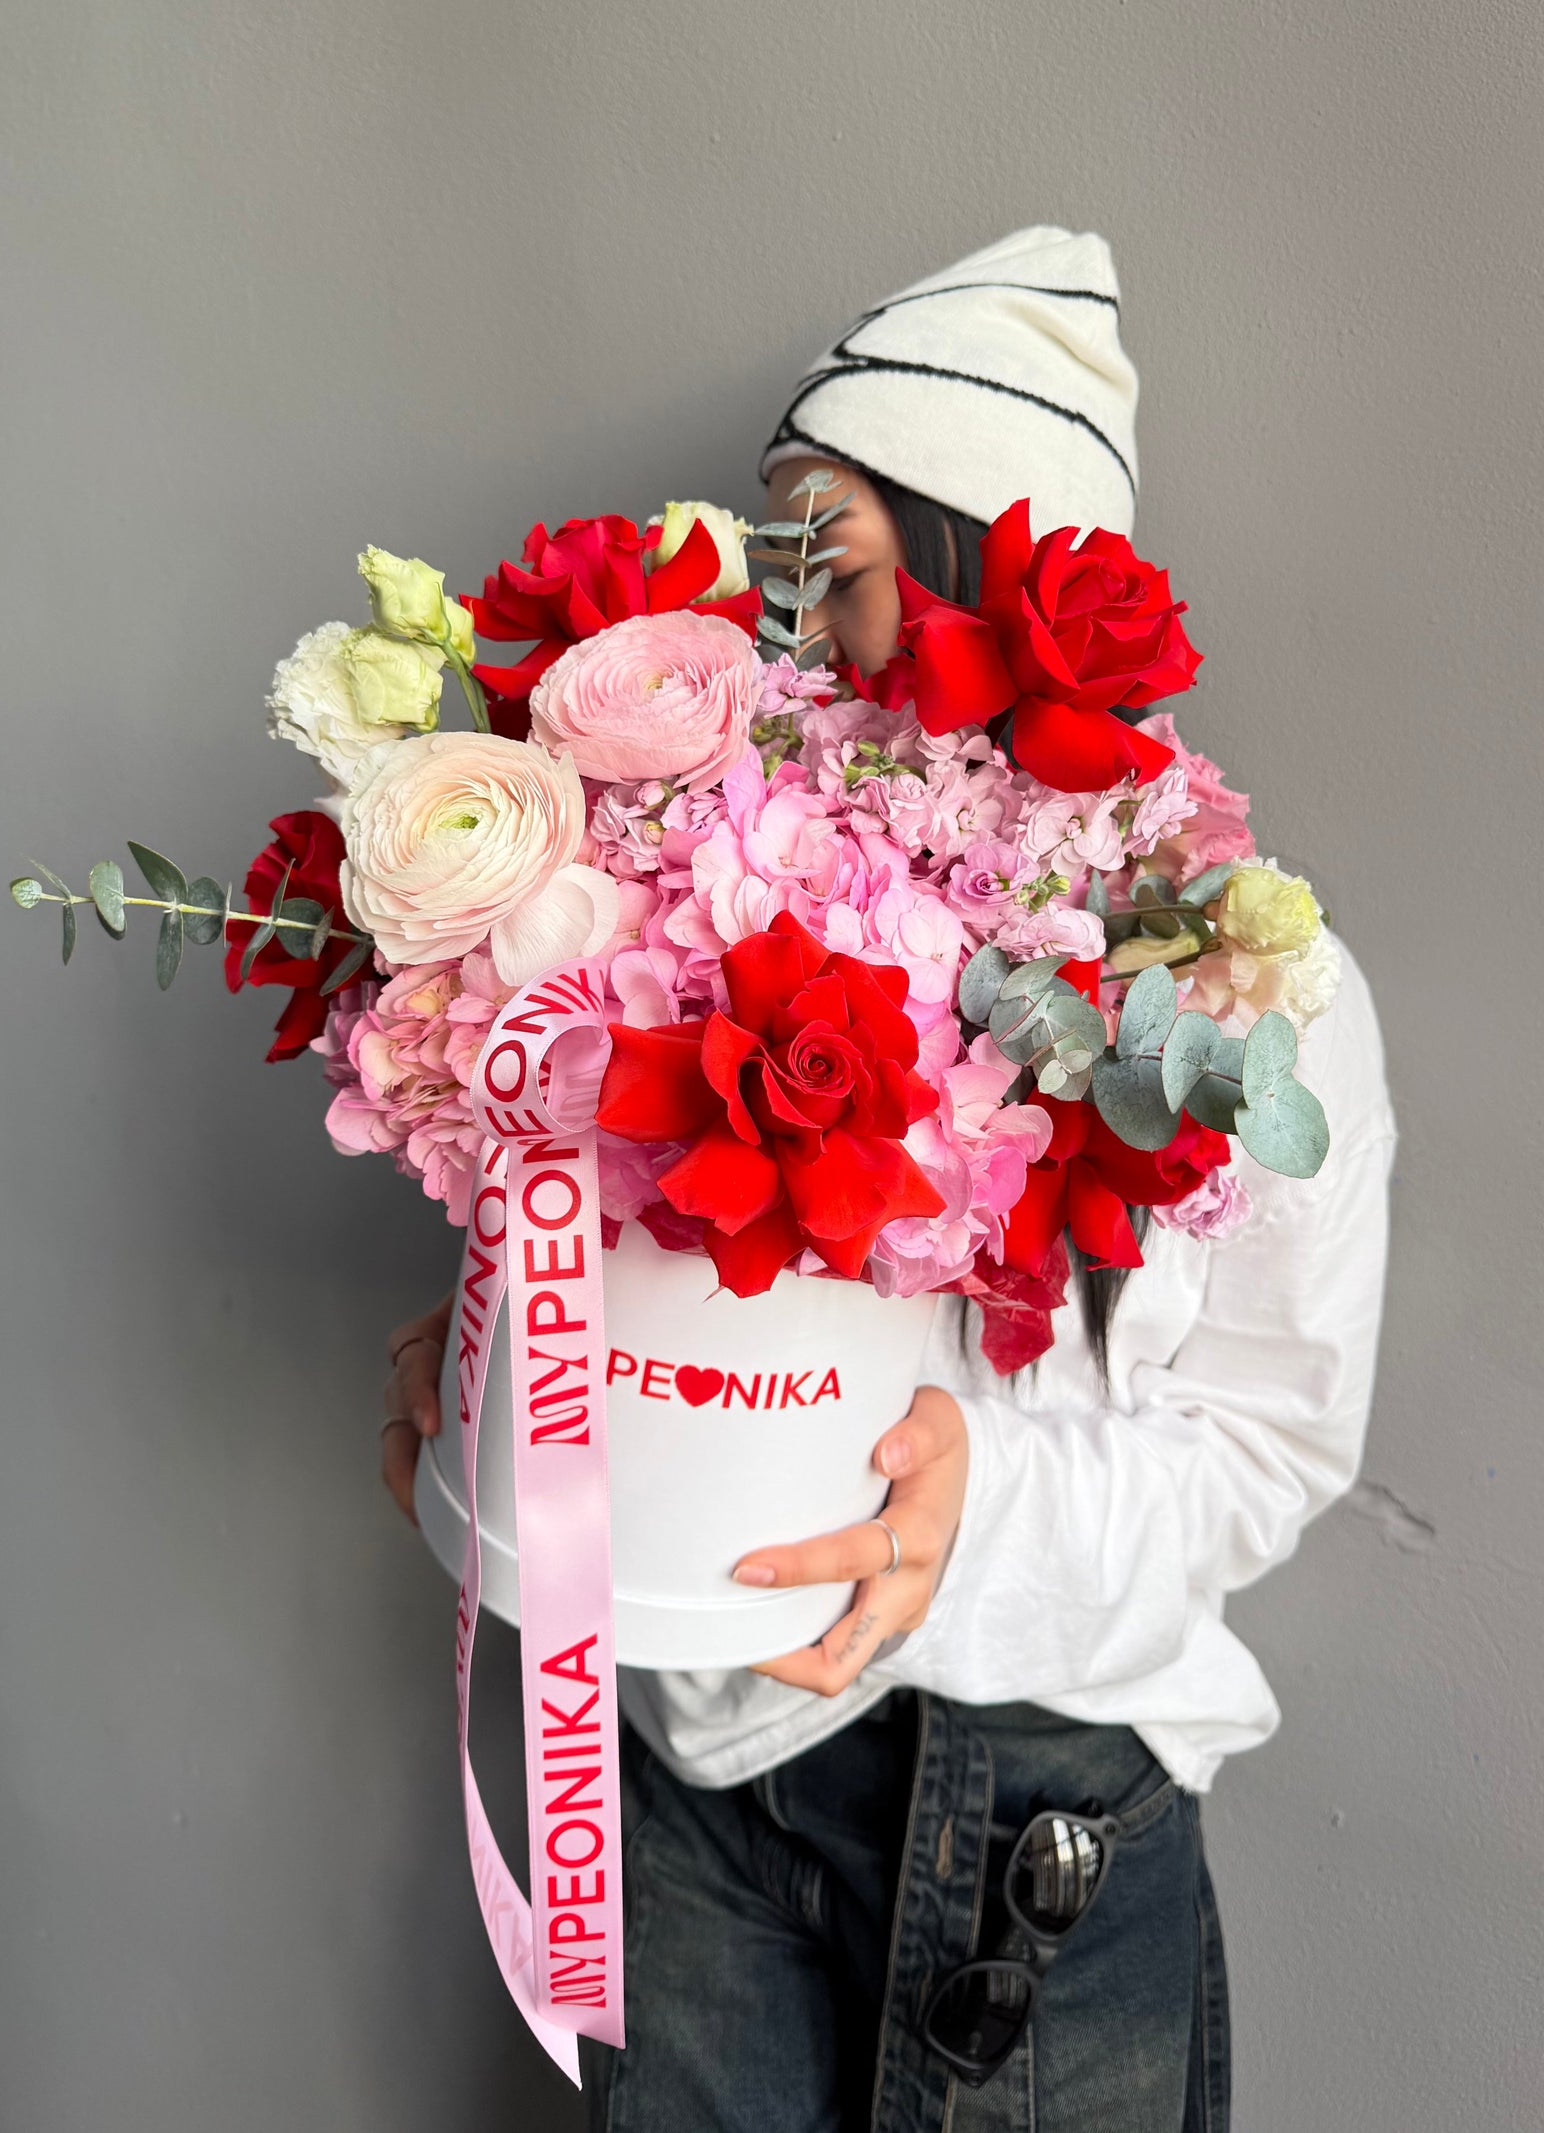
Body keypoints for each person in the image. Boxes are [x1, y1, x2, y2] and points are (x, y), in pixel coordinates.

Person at [379, 227, 1396, 2131]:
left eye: (823, 545)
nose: (788, 599)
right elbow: (640, 1220)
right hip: (684, 1763)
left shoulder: (1241, 983)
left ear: (978, 545)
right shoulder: (699, 859)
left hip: (1028, 1817)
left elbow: (1275, 1441)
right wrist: (520, 1333)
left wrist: (979, 1504)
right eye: (777, 550)